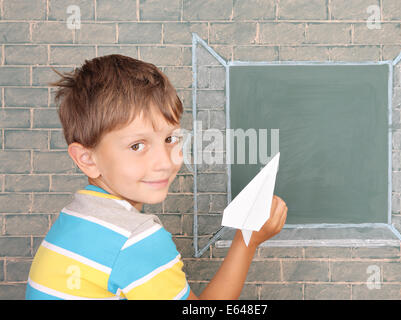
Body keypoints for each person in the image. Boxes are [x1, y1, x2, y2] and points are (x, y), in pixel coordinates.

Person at [25, 54, 287, 300]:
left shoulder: (76, 217)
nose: (165, 161)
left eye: (170, 139)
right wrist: (247, 240)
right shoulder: (134, 238)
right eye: (137, 146)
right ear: (88, 159)